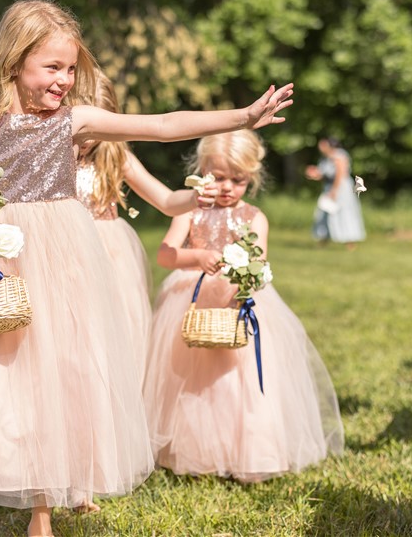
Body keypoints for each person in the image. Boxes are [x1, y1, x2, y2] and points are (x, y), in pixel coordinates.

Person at [0, 0, 295, 537]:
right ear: (13, 62)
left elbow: (162, 124)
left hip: (57, 268)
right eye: (52, 67)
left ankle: (41, 517)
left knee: (51, 383)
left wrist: (242, 116)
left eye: (70, 68)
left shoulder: (74, 123)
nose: (65, 80)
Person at [143, 130, 343, 483]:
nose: (226, 188)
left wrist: (244, 283)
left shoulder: (254, 217)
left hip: (238, 298)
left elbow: (260, 262)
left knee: (240, 379)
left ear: (251, 178)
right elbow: (165, 254)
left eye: (237, 180)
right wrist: (197, 255)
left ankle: (249, 449)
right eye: (218, 178)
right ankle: (197, 451)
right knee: (194, 379)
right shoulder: (191, 211)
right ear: (201, 172)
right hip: (193, 298)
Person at [75, 72, 219, 377]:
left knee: (111, 331)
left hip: (109, 256)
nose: (88, 140)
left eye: (97, 131)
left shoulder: (116, 155)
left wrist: (195, 198)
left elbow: (165, 200)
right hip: (65, 249)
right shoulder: (50, 153)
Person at [304, 137, 366, 248]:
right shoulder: (324, 159)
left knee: (345, 213)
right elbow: (325, 175)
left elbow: (340, 175)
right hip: (330, 187)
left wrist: (334, 191)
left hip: (341, 188)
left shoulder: (339, 155)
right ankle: (323, 241)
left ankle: (350, 243)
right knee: (324, 213)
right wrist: (315, 174)